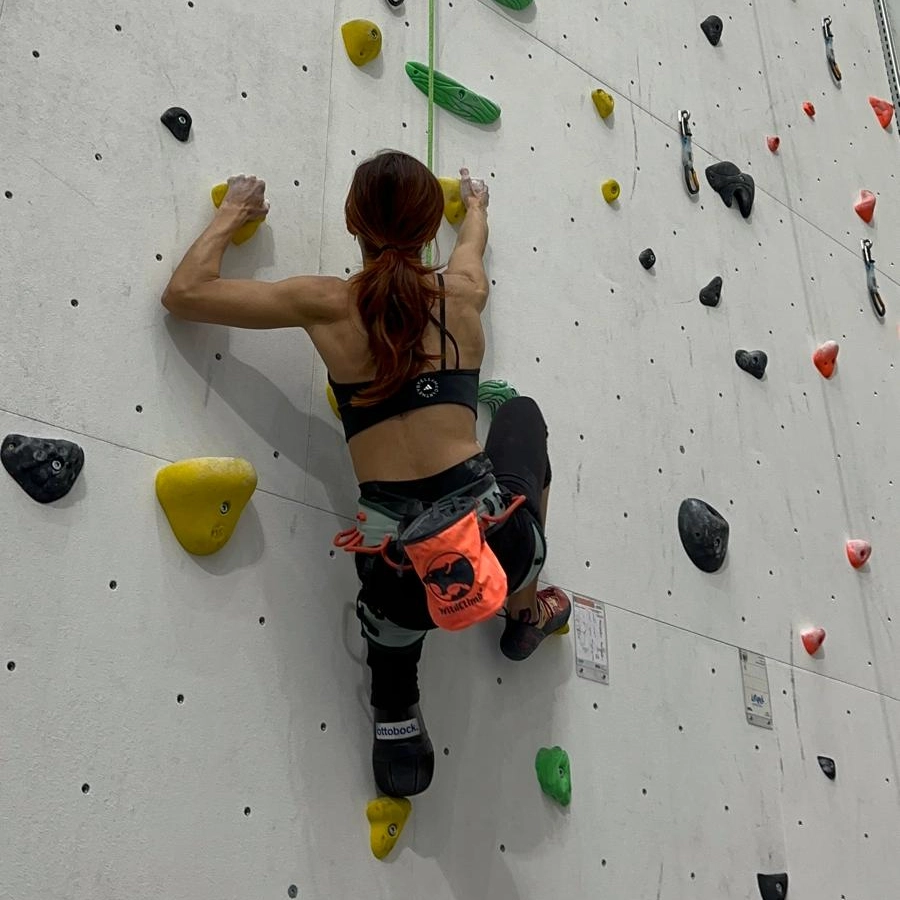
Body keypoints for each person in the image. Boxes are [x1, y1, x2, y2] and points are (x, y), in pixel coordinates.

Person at [161, 150, 571, 798]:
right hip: (501, 549)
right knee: (521, 415)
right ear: (430, 225)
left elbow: (184, 294)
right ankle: (524, 606)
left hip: (400, 577)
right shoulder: (464, 294)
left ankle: (396, 715)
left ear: (354, 221)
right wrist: (478, 206)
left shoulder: (324, 302)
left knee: (393, 639)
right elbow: (473, 246)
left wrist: (233, 210)